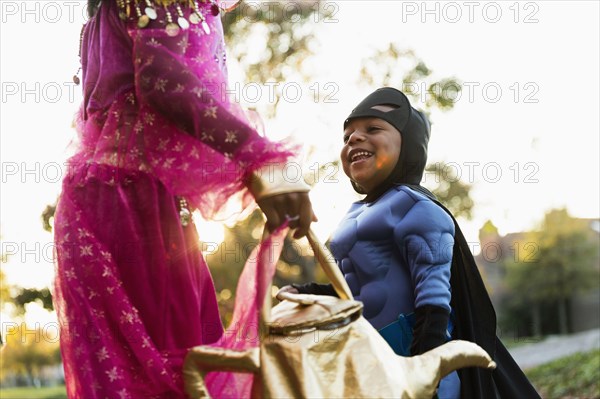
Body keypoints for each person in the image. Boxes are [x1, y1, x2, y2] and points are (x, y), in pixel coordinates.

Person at [53, 0, 314, 397]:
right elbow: (163, 79)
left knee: (169, 371)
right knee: (176, 372)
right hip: (130, 205)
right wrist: (258, 156)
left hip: (120, 201)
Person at [283, 87, 540, 398]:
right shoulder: (352, 215)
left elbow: (433, 303)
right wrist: (308, 293)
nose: (353, 139)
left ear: (408, 145)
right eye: (347, 135)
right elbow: (353, 293)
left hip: (415, 361)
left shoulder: (416, 208)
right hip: (368, 361)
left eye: (373, 129)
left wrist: (424, 368)